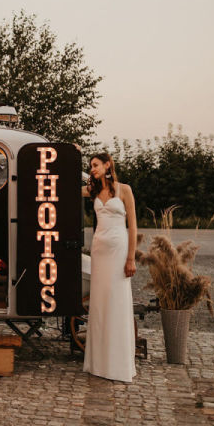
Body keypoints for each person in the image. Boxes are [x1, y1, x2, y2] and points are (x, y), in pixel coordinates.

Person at [82, 152, 137, 382]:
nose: (92, 168)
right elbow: (66, 186)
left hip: (118, 250)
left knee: (117, 300)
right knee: (100, 302)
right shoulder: (93, 190)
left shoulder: (124, 190)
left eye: (96, 165)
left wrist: (131, 258)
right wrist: (73, 154)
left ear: (107, 165)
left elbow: (133, 226)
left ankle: (118, 364)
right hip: (99, 251)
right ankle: (99, 363)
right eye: (90, 166)